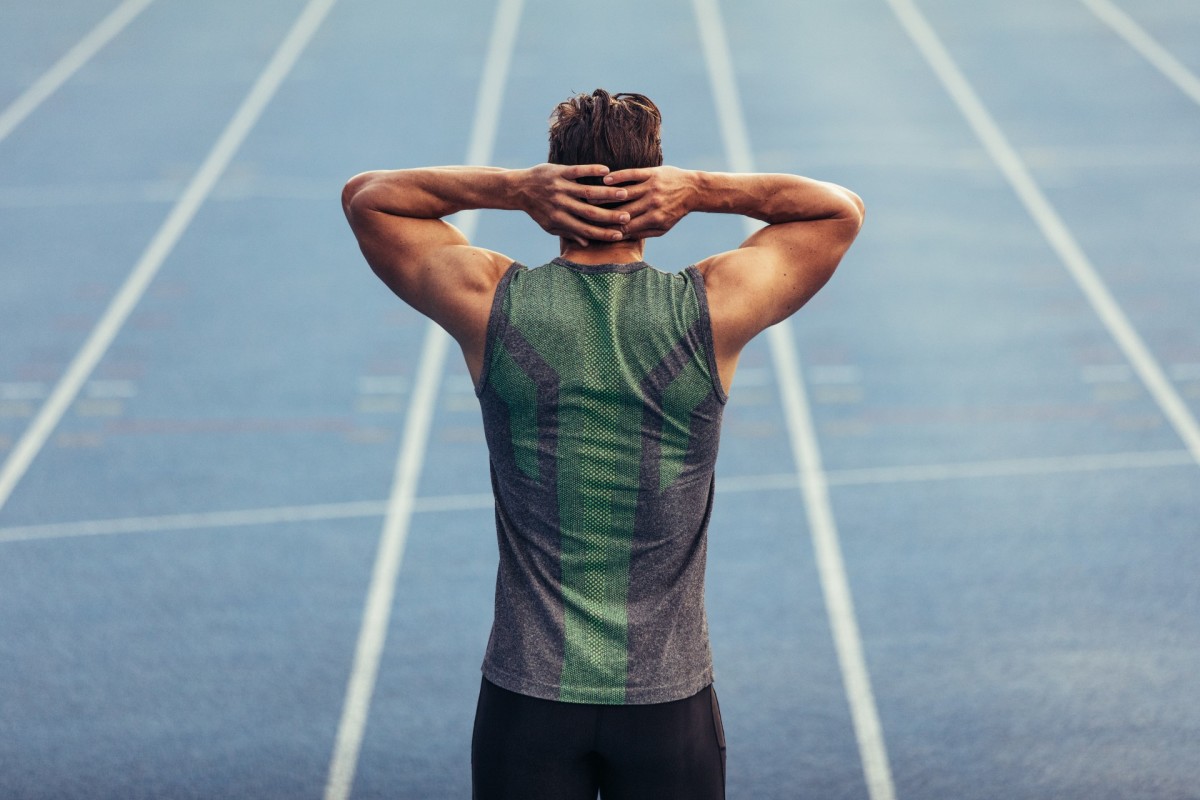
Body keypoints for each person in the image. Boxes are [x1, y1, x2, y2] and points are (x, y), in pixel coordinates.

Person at [342, 89, 863, 800]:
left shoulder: (490, 302)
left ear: (554, 181)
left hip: (528, 698)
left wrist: (512, 189)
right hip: (667, 702)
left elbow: (369, 198)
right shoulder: (712, 307)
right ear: (658, 185)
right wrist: (703, 190)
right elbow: (838, 211)